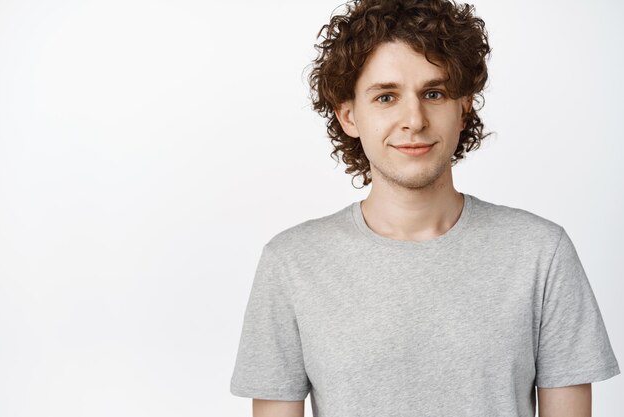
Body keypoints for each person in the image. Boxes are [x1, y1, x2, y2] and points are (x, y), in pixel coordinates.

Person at [230, 0, 620, 416]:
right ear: (349, 116)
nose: (413, 119)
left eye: (433, 93)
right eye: (385, 97)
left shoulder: (541, 253)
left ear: (464, 106)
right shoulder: (292, 262)